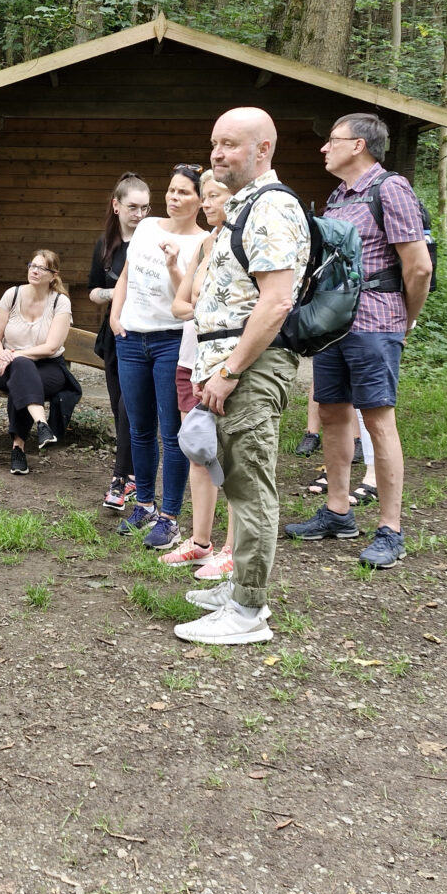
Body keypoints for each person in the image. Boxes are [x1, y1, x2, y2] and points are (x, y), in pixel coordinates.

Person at [174, 107, 310, 646]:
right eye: (214, 143)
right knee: (235, 477)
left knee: (252, 486)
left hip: (250, 367)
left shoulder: (272, 208)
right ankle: (239, 589)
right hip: (231, 368)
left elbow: (275, 302)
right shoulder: (244, 207)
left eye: (230, 144)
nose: (217, 154)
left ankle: (249, 611)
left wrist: (229, 371)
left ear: (263, 150)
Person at [285, 112, 433, 568]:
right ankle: (338, 511)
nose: (324, 148)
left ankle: (391, 529)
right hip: (334, 326)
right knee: (331, 414)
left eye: (332, 140)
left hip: (376, 322)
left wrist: (405, 320)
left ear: (359, 146)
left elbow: (419, 266)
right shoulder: (337, 196)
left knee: (378, 421)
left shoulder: (391, 189)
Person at [108, 164, 210, 548]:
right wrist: (116, 318)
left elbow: (188, 298)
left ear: (199, 200)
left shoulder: (204, 241)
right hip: (131, 339)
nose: (173, 197)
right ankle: (145, 504)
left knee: (173, 433)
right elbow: (126, 276)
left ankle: (169, 517)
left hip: (171, 341)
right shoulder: (147, 227)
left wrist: (172, 264)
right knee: (139, 428)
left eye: (184, 192)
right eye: (171, 190)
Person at [164, 169, 236, 573]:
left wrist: (205, 313)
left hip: (225, 365)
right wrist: (206, 312)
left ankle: (232, 549)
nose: (206, 203)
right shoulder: (207, 242)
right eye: (204, 196)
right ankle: (201, 541)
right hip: (191, 360)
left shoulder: (246, 240)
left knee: (233, 457)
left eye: (214, 196)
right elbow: (179, 303)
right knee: (198, 450)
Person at [0, 250, 77, 475]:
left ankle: (18, 449)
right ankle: (42, 425)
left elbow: (51, 347)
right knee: (22, 371)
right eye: (32, 265)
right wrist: (3, 354)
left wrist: (15, 355)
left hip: (48, 366)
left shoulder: (60, 302)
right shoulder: (12, 294)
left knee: (22, 376)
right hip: (4, 364)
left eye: (41, 268)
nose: (34, 270)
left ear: (53, 275)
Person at [87, 173, 150, 511]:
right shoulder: (105, 245)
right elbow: (93, 291)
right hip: (114, 333)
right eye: (132, 207)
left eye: (145, 207)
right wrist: (117, 292)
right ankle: (136, 475)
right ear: (116, 205)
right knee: (119, 409)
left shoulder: (154, 241)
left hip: (147, 337)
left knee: (131, 408)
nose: (139, 214)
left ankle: (121, 477)